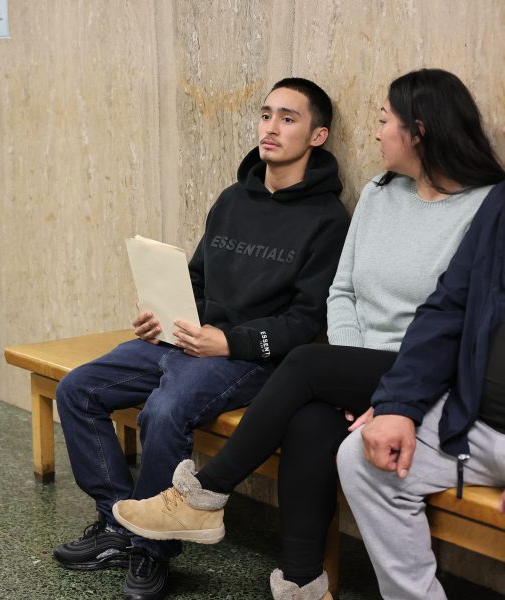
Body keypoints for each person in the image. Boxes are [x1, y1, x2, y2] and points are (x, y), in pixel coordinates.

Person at [111, 68, 505, 600]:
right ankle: (302, 583)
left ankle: (203, 495)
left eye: (385, 121)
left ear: (420, 130)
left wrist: (379, 389)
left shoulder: (486, 208)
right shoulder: (380, 193)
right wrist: (352, 370)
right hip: (357, 364)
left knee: (306, 368)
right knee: (311, 415)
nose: (376, 132)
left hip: (424, 370)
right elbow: (341, 292)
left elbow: (457, 322)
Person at [53, 78, 350, 600]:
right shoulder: (234, 198)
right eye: (265, 115)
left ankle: (154, 552)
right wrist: (158, 316)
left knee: (166, 411)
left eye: (288, 118)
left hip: (247, 358)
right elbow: (194, 277)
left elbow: (308, 321)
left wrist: (228, 343)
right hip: (183, 338)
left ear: (318, 135)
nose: (271, 128)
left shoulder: (328, 221)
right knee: (78, 389)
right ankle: (123, 527)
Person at [335, 189, 505, 598]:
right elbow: (448, 306)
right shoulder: (501, 203)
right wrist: (398, 406)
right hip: (472, 419)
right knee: (362, 458)